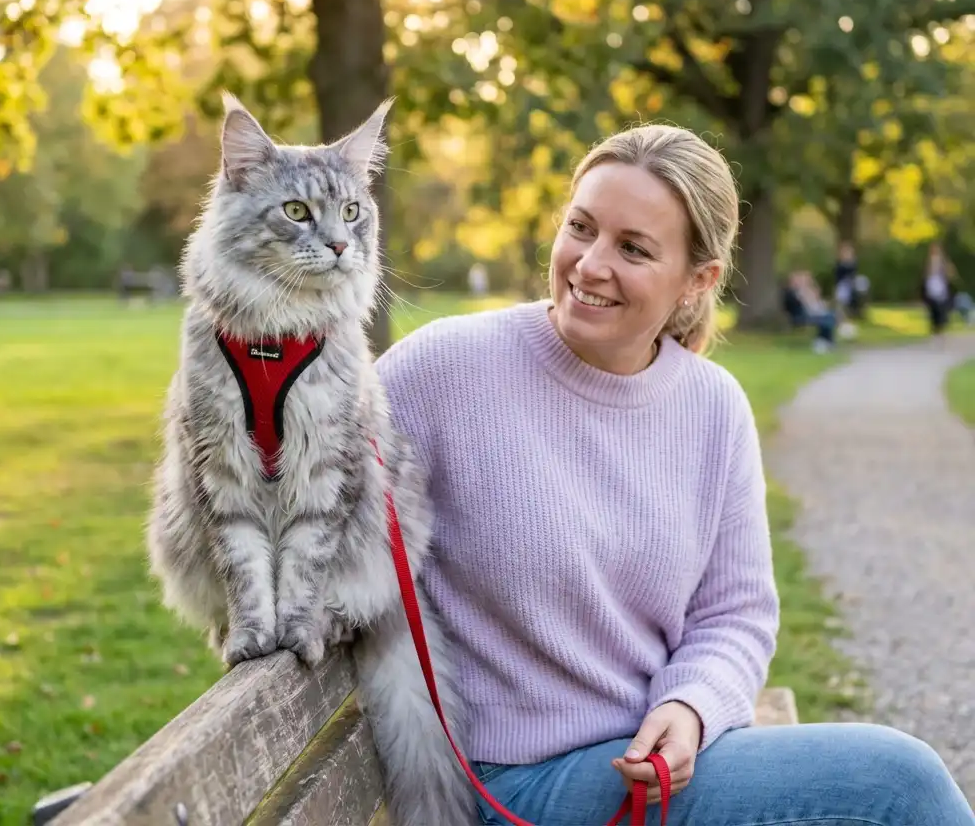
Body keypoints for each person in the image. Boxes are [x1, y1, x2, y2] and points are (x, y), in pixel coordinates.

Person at [376, 124, 974, 826]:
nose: (590, 264)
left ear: (698, 281)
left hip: (655, 767)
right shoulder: (442, 371)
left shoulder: (713, 408)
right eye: (581, 227)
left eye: (632, 248)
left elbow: (736, 613)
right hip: (507, 784)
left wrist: (689, 708)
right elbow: (291, 490)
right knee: (898, 787)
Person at [782, 270, 838, 353]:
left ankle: (826, 341)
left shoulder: (802, 291)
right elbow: (797, 306)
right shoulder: (790, 293)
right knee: (827, 319)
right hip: (800, 316)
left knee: (830, 316)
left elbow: (813, 304)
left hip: (808, 314)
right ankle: (824, 341)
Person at [921, 241, 956, 336]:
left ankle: (940, 326)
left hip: (940, 285)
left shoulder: (943, 261)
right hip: (932, 285)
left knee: (941, 306)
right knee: (933, 306)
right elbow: (926, 274)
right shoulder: (928, 261)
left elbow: (950, 273)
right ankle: (935, 326)